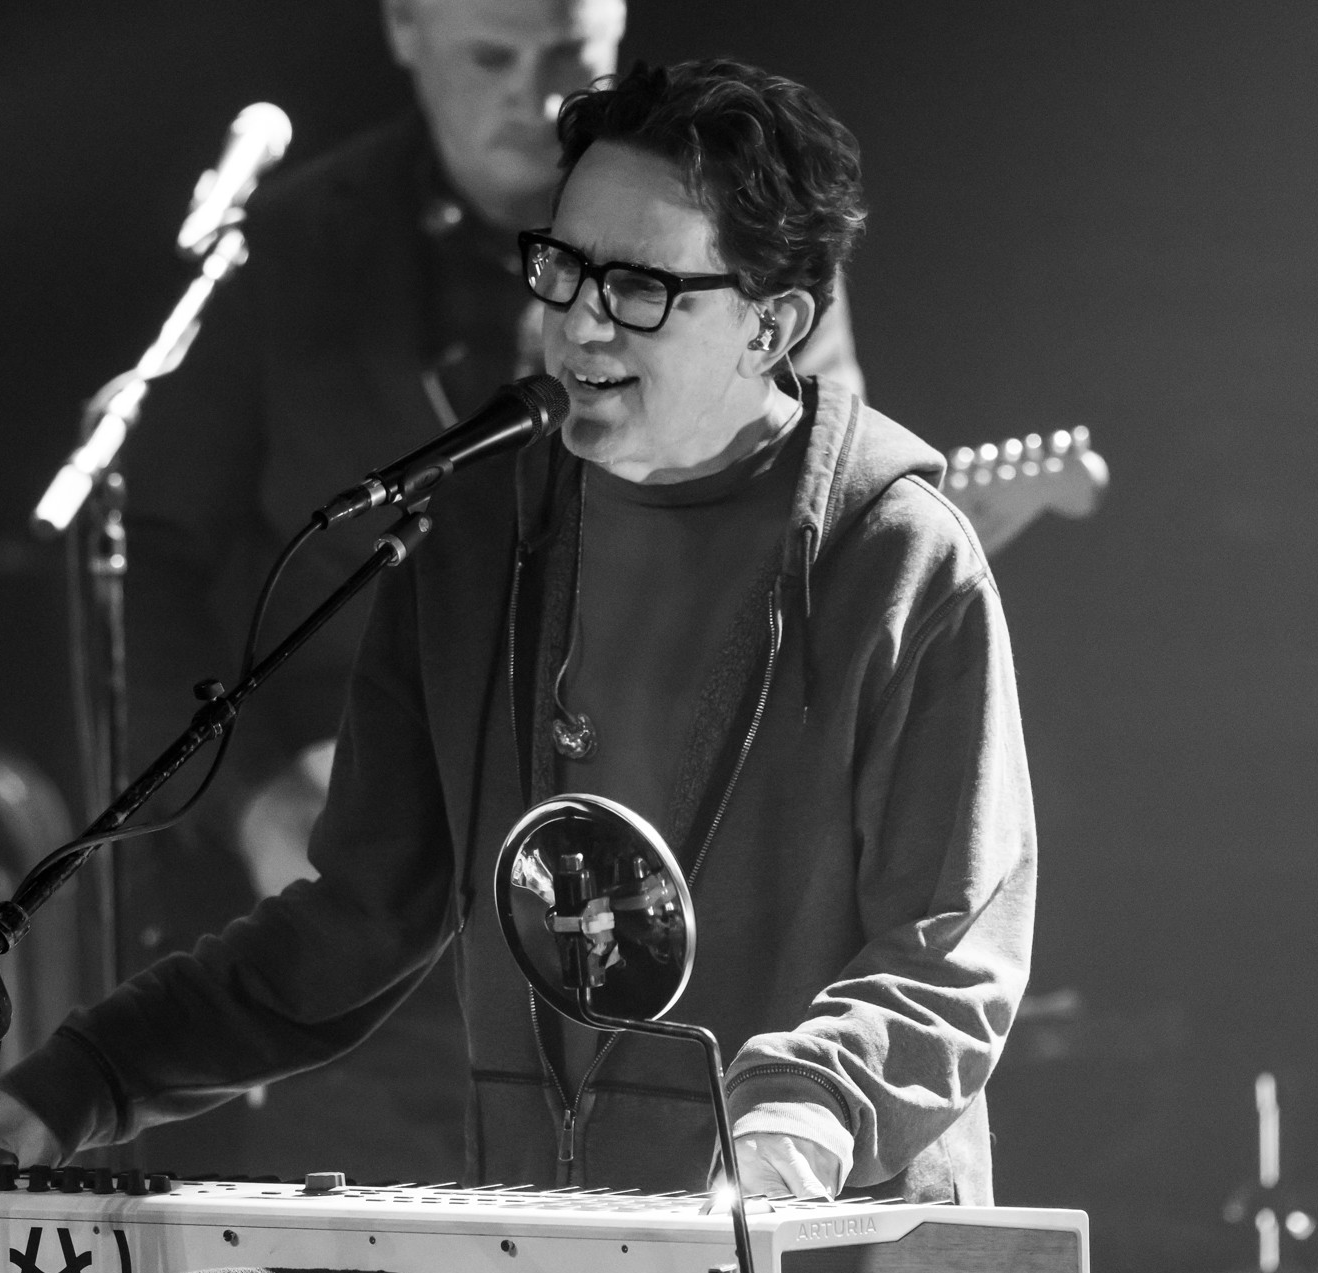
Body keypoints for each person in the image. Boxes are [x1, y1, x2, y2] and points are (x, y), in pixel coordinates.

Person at [5, 58, 1033, 1202]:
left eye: (636, 287)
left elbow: (948, 958)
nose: (579, 323)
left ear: (770, 325)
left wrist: (797, 1122)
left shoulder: (897, 556)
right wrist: (76, 1083)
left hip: (839, 1247)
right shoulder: (472, 535)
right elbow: (355, 922)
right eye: (562, 268)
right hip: (562, 1241)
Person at [112, 0, 858, 1181]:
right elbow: (147, 566)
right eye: (491, 57)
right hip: (378, 926)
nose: (539, 97)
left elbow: (813, 528)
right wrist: (251, 794)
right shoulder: (293, 248)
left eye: (569, 57)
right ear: (403, 27)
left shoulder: (744, 249)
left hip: (653, 940)